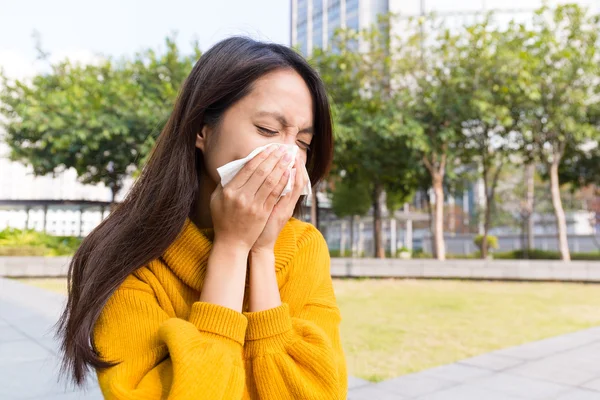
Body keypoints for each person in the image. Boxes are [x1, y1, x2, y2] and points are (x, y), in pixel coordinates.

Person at [56, 36, 347, 399]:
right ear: (201, 130)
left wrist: (260, 253)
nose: (288, 156)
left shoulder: (304, 247)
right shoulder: (128, 259)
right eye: (268, 131)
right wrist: (231, 247)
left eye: (302, 142)